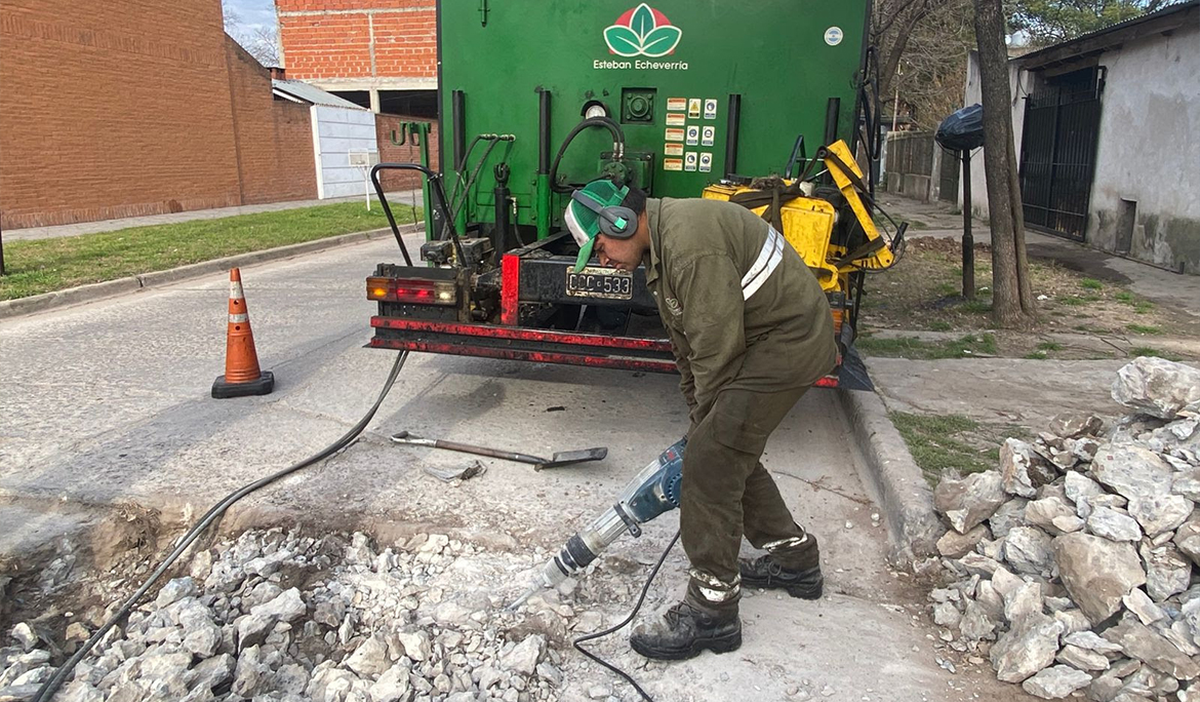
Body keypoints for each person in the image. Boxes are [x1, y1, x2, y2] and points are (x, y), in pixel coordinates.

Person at [563, 177, 838, 660]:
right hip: (765, 341)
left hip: (786, 342)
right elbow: (688, 348)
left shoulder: (690, 248)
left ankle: (712, 610)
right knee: (726, 450)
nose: (602, 259)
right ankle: (795, 561)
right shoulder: (664, 249)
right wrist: (700, 415)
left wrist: (704, 435)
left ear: (620, 221)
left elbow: (717, 349)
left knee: (712, 461)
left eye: (600, 246)